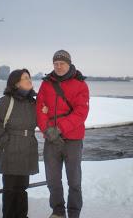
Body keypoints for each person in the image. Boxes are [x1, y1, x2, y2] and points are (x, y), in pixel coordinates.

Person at [36, 50, 90, 218]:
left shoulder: (80, 84)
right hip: (51, 139)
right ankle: (58, 212)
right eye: (56, 64)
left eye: (62, 64)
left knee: (74, 181)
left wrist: (58, 129)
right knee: (52, 180)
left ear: (69, 64)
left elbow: (81, 112)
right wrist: (47, 130)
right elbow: (39, 109)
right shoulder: (46, 84)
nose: (58, 67)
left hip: (72, 139)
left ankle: (74, 213)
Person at [0, 69, 39, 218]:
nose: (29, 80)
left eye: (29, 77)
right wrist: (6, 142)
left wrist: (45, 109)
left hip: (27, 150)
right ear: (16, 83)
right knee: (10, 189)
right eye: (25, 78)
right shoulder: (6, 101)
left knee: (22, 188)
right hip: (10, 150)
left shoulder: (32, 102)